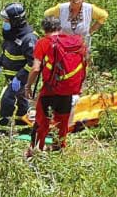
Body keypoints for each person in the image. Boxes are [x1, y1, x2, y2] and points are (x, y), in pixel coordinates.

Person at [26, 16, 88, 156]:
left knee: (42, 122)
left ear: (44, 29)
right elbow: (85, 63)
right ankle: (58, 149)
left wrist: (28, 86)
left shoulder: (43, 42)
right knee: (63, 121)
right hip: (68, 89)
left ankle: (35, 151)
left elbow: (36, 68)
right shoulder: (75, 41)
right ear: (60, 28)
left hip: (50, 90)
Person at [0, 3, 38, 128]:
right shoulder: (12, 33)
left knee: (7, 99)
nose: (4, 23)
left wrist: (19, 78)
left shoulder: (28, 38)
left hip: (20, 79)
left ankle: (4, 125)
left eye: (6, 20)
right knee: (22, 99)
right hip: (12, 77)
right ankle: (22, 123)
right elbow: (7, 49)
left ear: (15, 20)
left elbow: (33, 63)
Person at [44, 0, 108, 45]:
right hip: (64, 46)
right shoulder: (61, 8)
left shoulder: (89, 8)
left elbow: (104, 15)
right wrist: (54, 31)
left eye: (75, 1)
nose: (71, 3)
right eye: (70, 0)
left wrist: (91, 30)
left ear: (82, 0)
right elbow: (46, 14)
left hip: (82, 46)